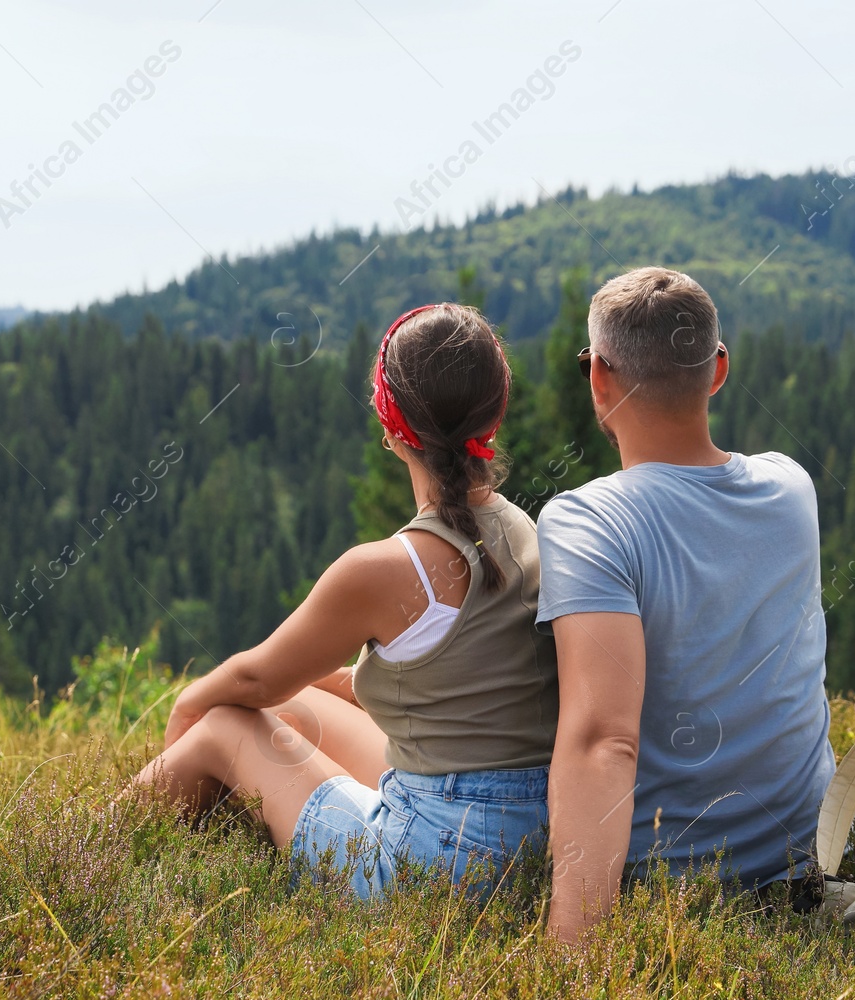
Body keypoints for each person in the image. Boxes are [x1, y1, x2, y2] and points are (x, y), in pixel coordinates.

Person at [129, 303, 558, 898]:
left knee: (224, 725)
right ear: (495, 410)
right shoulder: (523, 530)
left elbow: (254, 680)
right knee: (296, 706)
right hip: (531, 846)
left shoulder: (384, 569)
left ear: (389, 421)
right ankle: (206, 835)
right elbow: (438, 682)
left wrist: (187, 703)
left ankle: (88, 856)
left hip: (433, 872)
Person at [536, 267, 834, 941]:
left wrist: (570, 957)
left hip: (671, 880)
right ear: (718, 369)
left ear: (599, 379)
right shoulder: (792, 487)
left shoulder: (589, 523)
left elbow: (602, 740)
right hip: (805, 858)